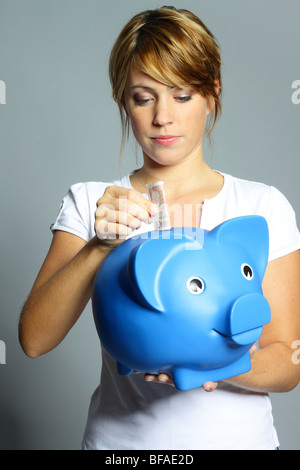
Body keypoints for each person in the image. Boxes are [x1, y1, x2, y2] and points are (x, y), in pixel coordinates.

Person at [19, 6, 300, 450]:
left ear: (212, 93)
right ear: (123, 102)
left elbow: (288, 361)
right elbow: (34, 340)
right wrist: (100, 245)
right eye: (143, 97)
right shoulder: (93, 202)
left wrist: (212, 366)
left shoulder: (262, 206)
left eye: (182, 95)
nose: (162, 117)